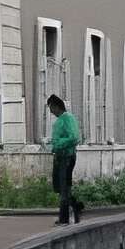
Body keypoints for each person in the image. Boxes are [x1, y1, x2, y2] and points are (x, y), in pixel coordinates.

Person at [47, 95, 84, 225]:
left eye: (51, 108)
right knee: (61, 187)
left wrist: (58, 144)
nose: (51, 111)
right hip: (60, 156)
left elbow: (74, 137)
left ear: (57, 106)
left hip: (66, 157)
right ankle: (75, 207)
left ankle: (64, 217)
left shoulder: (67, 118)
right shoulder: (60, 120)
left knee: (63, 187)